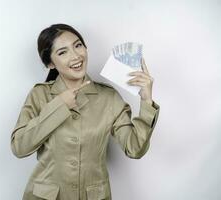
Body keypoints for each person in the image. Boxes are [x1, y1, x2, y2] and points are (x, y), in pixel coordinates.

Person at [10, 23, 160, 200]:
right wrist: (60, 105)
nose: (75, 56)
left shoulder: (108, 97)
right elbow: (20, 147)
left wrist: (146, 101)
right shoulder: (40, 94)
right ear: (50, 63)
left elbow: (135, 148)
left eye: (78, 45)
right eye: (62, 52)